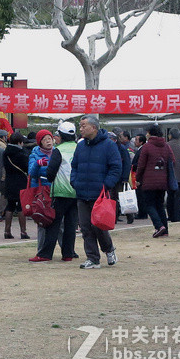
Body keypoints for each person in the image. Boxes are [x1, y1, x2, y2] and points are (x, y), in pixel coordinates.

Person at [70, 115, 121, 269]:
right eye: (80, 125)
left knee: (99, 226)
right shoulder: (80, 146)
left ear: (93, 127)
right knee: (85, 227)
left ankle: (109, 249)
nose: (81, 128)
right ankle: (92, 259)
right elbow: (75, 166)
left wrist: (106, 185)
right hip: (82, 193)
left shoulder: (109, 146)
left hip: (100, 194)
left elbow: (116, 168)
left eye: (83, 125)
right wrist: (75, 182)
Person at [31, 122, 81, 262]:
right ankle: (68, 254)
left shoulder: (59, 150)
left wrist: (51, 179)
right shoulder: (79, 148)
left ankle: (45, 254)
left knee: (53, 223)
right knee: (71, 225)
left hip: (60, 191)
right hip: (76, 191)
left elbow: (51, 172)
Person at [134, 124, 174, 238]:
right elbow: (172, 161)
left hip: (149, 181)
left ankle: (159, 226)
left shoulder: (147, 147)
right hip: (163, 181)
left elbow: (141, 165)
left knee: (149, 205)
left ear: (150, 133)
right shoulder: (166, 146)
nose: (146, 135)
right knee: (160, 205)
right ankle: (165, 230)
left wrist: (138, 178)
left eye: (147, 133)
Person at [2, 132, 30, 239]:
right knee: (21, 207)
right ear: (19, 142)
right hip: (21, 181)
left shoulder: (5, 153)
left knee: (10, 206)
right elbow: (27, 168)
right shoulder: (21, 154)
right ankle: (23, 232)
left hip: (9, 181)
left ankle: (7, 231)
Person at [166, 128, 180, 223]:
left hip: (169, 176)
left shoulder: (166, 145)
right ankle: (178, 216)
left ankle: (170, 215)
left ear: (170, 135)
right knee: (179, 198)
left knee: (170, 196)